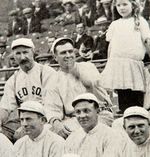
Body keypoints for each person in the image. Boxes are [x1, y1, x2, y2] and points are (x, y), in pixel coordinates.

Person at [44, 37, 112, 139]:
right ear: (55, 57)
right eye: (63, 53)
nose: (68, 55)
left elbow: (90, 83)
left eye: (70, 51)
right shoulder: (54, 80)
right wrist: (56, 123)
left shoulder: (88, 67)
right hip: (74, 119)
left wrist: (73, 69)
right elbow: (52, 107)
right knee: (46, 133)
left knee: (78, 133)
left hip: (100, 114)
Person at [0, 38, 56, 142]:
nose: (22, 57)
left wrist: (27, 126)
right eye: (18, 53)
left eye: (25, 52)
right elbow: (5, 107)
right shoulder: (14, 79)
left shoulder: (47, 73)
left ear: (33, 52)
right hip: (22, 120)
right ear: (14, 56)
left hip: (44, 118)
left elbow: (51, 105)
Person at [100, 0, 150, 113]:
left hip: (133, 64)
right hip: (117, 64)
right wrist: (109, 64)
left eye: (125, 4)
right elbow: (111, 46)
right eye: (118, 5)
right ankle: (124, 113)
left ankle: (137, 115)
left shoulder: (140, 22)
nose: (121, 8)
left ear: (133, 5)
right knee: (122, 92)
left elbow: (147, 41)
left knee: (135, 93)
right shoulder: (115, 24)